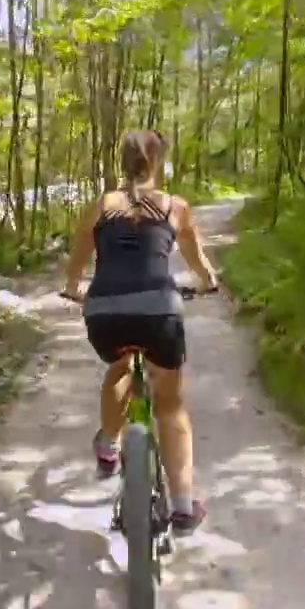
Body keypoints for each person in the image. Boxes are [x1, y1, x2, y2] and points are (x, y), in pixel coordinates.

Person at [61, 129, 219, 536]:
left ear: (122, 161)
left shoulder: (101, 206)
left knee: (120, 367)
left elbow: (77, 261)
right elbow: (197, 260)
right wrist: (207, 283)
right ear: (158, 162)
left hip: (105, 315)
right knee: (169, 403)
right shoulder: (174, 206)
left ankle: (108, 442)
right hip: (158, 313)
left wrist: (73, 290)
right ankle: (183, 507)